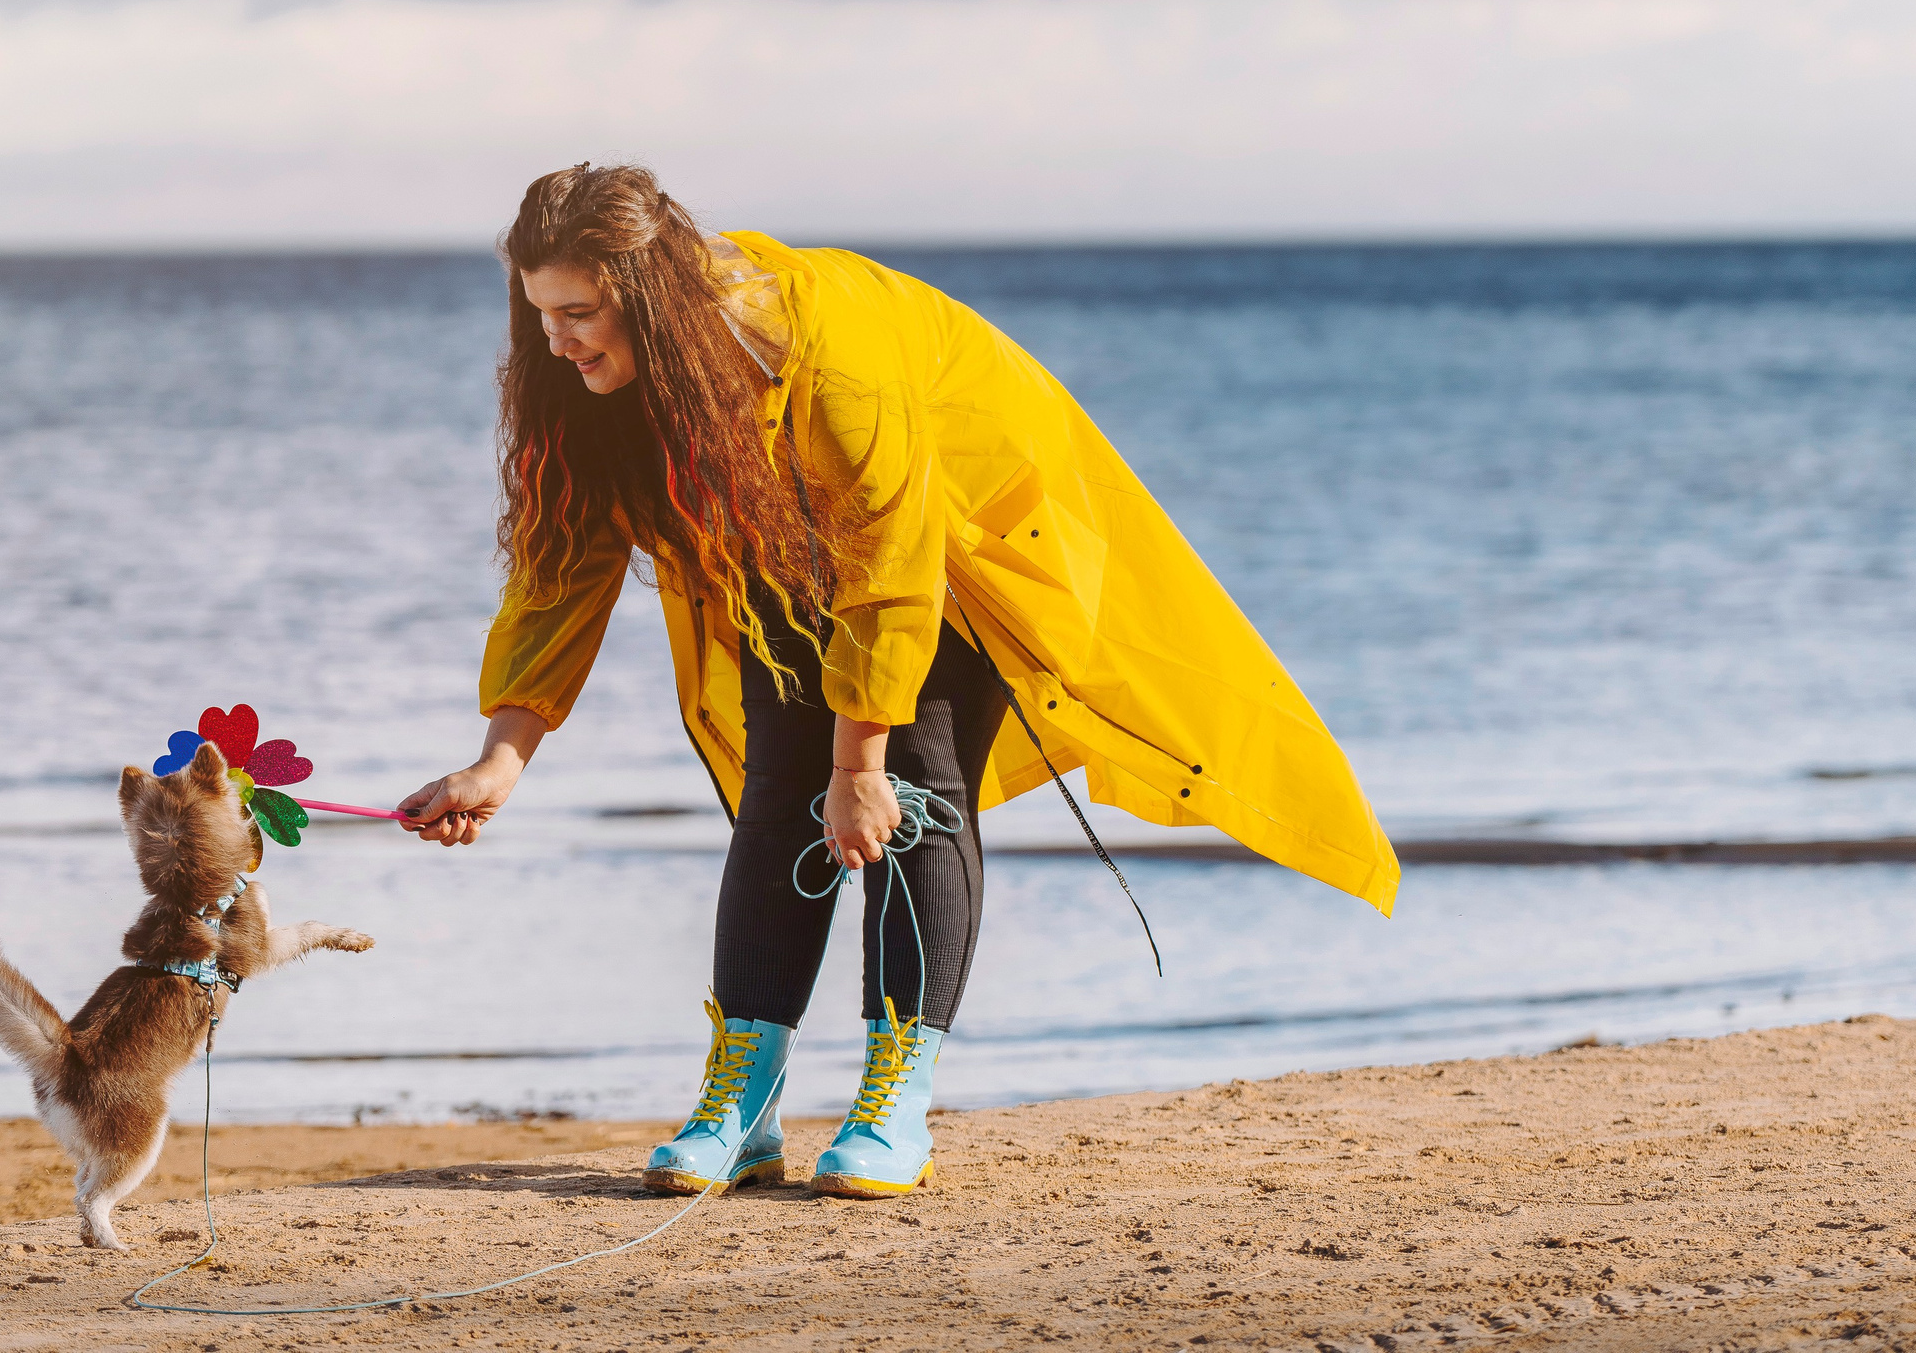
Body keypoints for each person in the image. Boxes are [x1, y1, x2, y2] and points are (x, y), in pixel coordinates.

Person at [398, 164, 1397, 1201]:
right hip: (784, 531)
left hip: (964, 529)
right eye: (538, 313)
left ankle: (893, 1097)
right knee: (780, 786)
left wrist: (860, 762)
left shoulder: (829, 354)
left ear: (649, 293)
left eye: (577, 312)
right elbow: (562, 567)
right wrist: (499, 759)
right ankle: (742, 1101)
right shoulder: (600, 385)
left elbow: (890, 566)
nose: (554, 341)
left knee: (908, 785)